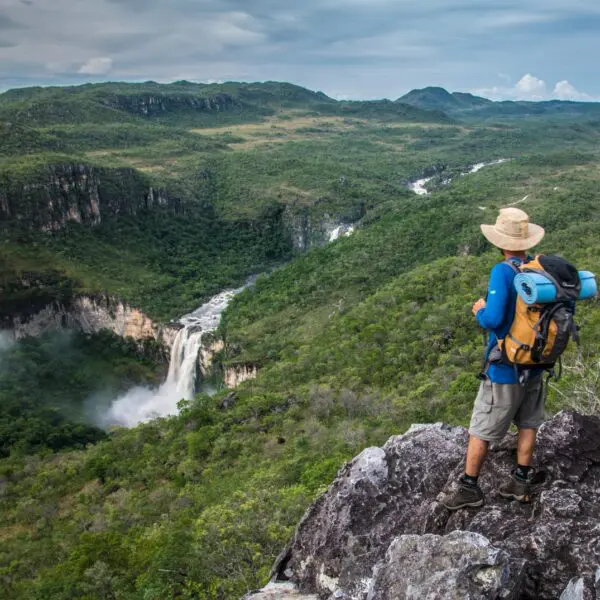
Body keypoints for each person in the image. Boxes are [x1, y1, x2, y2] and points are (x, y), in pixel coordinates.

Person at [442, 207, 546, 510]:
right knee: (528, 423)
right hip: (536, 364)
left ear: (501, 242)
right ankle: (521, 481)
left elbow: (494, 318)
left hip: (505, 367)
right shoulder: (537, 269)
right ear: (526, 241)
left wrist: (479, 311)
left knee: (481, 428)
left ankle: (469, 488)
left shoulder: (503, 271)